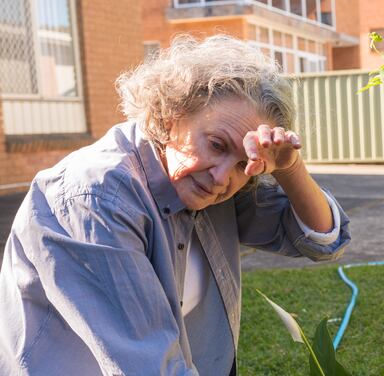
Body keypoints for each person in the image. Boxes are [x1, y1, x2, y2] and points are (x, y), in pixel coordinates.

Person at [0, 35, 351, 375]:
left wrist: (290, 168)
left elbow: (323, 241)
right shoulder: (93, 199)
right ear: (171, 115)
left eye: (244, 163)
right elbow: (147, 365)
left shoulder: (210, 182)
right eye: (216, 144)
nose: (221, 177)